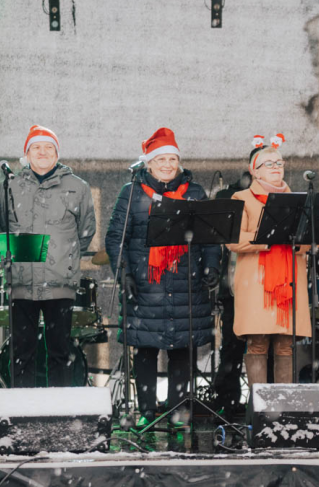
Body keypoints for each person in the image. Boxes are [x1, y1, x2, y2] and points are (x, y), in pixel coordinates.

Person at [105, 127, 220, 428]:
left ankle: (178, 411)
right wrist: (126, 273)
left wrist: (211, 267)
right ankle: (146, 411)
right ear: (148, 163)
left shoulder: (194, 193)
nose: (168, 165)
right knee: (146, 349)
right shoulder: (131, 193)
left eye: (173, 159)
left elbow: (210, 238)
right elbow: (116, 238)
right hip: (146, 284)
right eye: (161, 159)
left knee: (183, 349)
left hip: (186, 283)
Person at [0, 125, 96, 388]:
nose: (42, 152)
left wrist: (65, 255)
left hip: (59, 283)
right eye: (36, 147)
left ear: (57, 153)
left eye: (48, 147)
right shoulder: (10, 187)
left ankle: (60, 412)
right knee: (21, 352)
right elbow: (1, 228)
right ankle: (21, 412)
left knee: (60, 351)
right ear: (26, 154)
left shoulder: (78, 187)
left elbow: (86, 232)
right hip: (21, 282)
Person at [226, 134, 311, 388]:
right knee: (258, 341)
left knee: (286, 344)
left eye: (279, 162)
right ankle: (259, 407)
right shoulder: (241, 198)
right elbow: (233, 240)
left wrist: (298, 241)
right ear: (255, 171)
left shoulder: (298, 200)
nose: (276, 167)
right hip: (257, 283)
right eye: (269, 163)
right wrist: (268, 237)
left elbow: (307, 242)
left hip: (289, 280)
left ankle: (282, 407)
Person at [210, 161, 253, 417]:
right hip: (235, 284)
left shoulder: (278, 195)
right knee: (232, 346)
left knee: (264, 346)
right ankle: (228, 398)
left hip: (263, 282)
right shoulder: (230, 196)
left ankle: (261, 400)